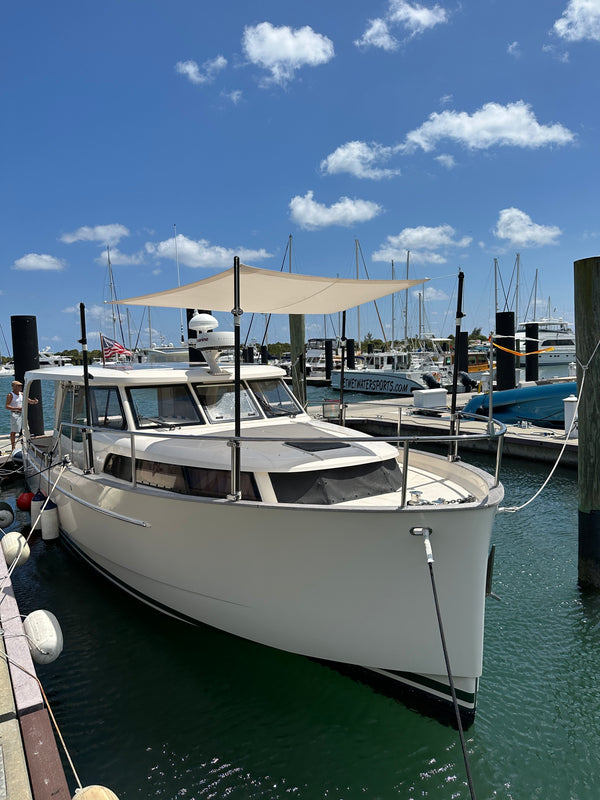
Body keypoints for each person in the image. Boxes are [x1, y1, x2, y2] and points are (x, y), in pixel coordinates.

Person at [5, 380, 38, 451]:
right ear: (14, 387)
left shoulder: (22, 394)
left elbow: (29, 401)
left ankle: (26, 444)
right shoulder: (10, 395)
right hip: (15, 414)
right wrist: (17, 408)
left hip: (22, 414)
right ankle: (13, 447)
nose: (20, 387)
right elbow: (7, 406)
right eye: (19, 386)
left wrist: (34, 402)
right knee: (14, 431)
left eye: (21, 385)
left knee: (26, 429)